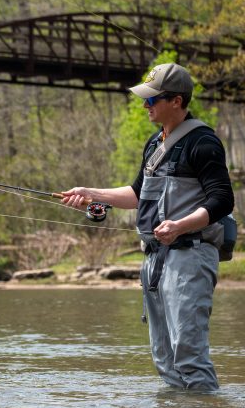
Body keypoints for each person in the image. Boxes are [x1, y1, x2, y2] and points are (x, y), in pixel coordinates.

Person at [61, 63, 234, 390]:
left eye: (152, 99)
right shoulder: (155, 143)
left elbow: (222, 200)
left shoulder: (203, 142)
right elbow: (137, 194)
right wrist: (91, 193)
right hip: (155, 261)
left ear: (177, 101)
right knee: (164, 358)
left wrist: (180, 225)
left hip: (190, 256)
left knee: (189, 355)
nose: (145, 105)